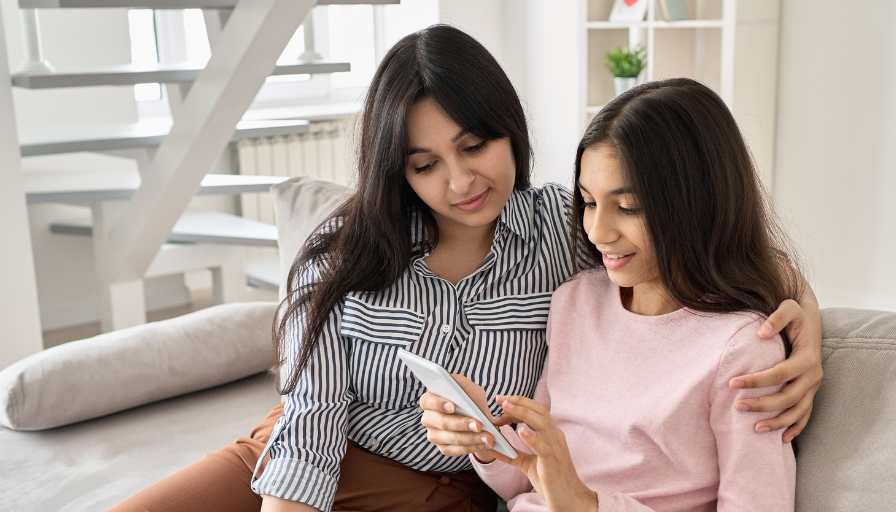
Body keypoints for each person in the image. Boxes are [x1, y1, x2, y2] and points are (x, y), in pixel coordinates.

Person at [111, 26, 821, 512]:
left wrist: (805, 335)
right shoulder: (344, 253)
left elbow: (708, 245)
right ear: (397, 169)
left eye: (475, 144)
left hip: (454, 491)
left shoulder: (560, 231)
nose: (460, 182)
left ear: (509, 127)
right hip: (315, 453)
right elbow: (310, 430)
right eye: (424, 164)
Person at [420, 77, 802, 510]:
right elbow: (522, 478)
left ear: (697, 203)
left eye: (628, 207)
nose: (598, 232)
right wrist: (485, 438)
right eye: (588, 202)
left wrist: (585, 503)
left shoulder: (741, 350)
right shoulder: (576, 301)